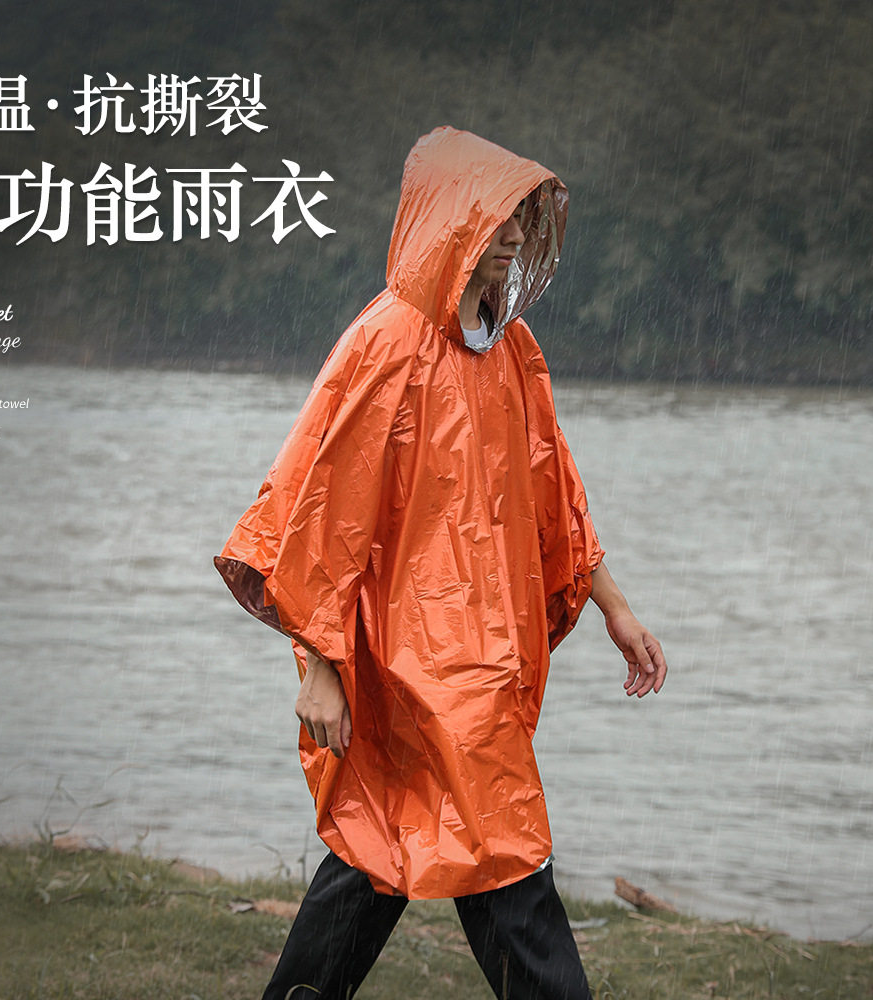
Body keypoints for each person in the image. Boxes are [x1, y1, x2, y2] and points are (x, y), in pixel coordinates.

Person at [216, 125, 667, 1000]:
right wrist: (322, 667)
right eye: (498, 217)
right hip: (401, 659)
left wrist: (613, 604)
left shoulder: (511, 349)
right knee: (496, 851)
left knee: (384, 847)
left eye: (521, 220)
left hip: (485, 656)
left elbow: (552, 494)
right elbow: (323, 513)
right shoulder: (386, 344)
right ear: (451, 220)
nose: (513, 236)